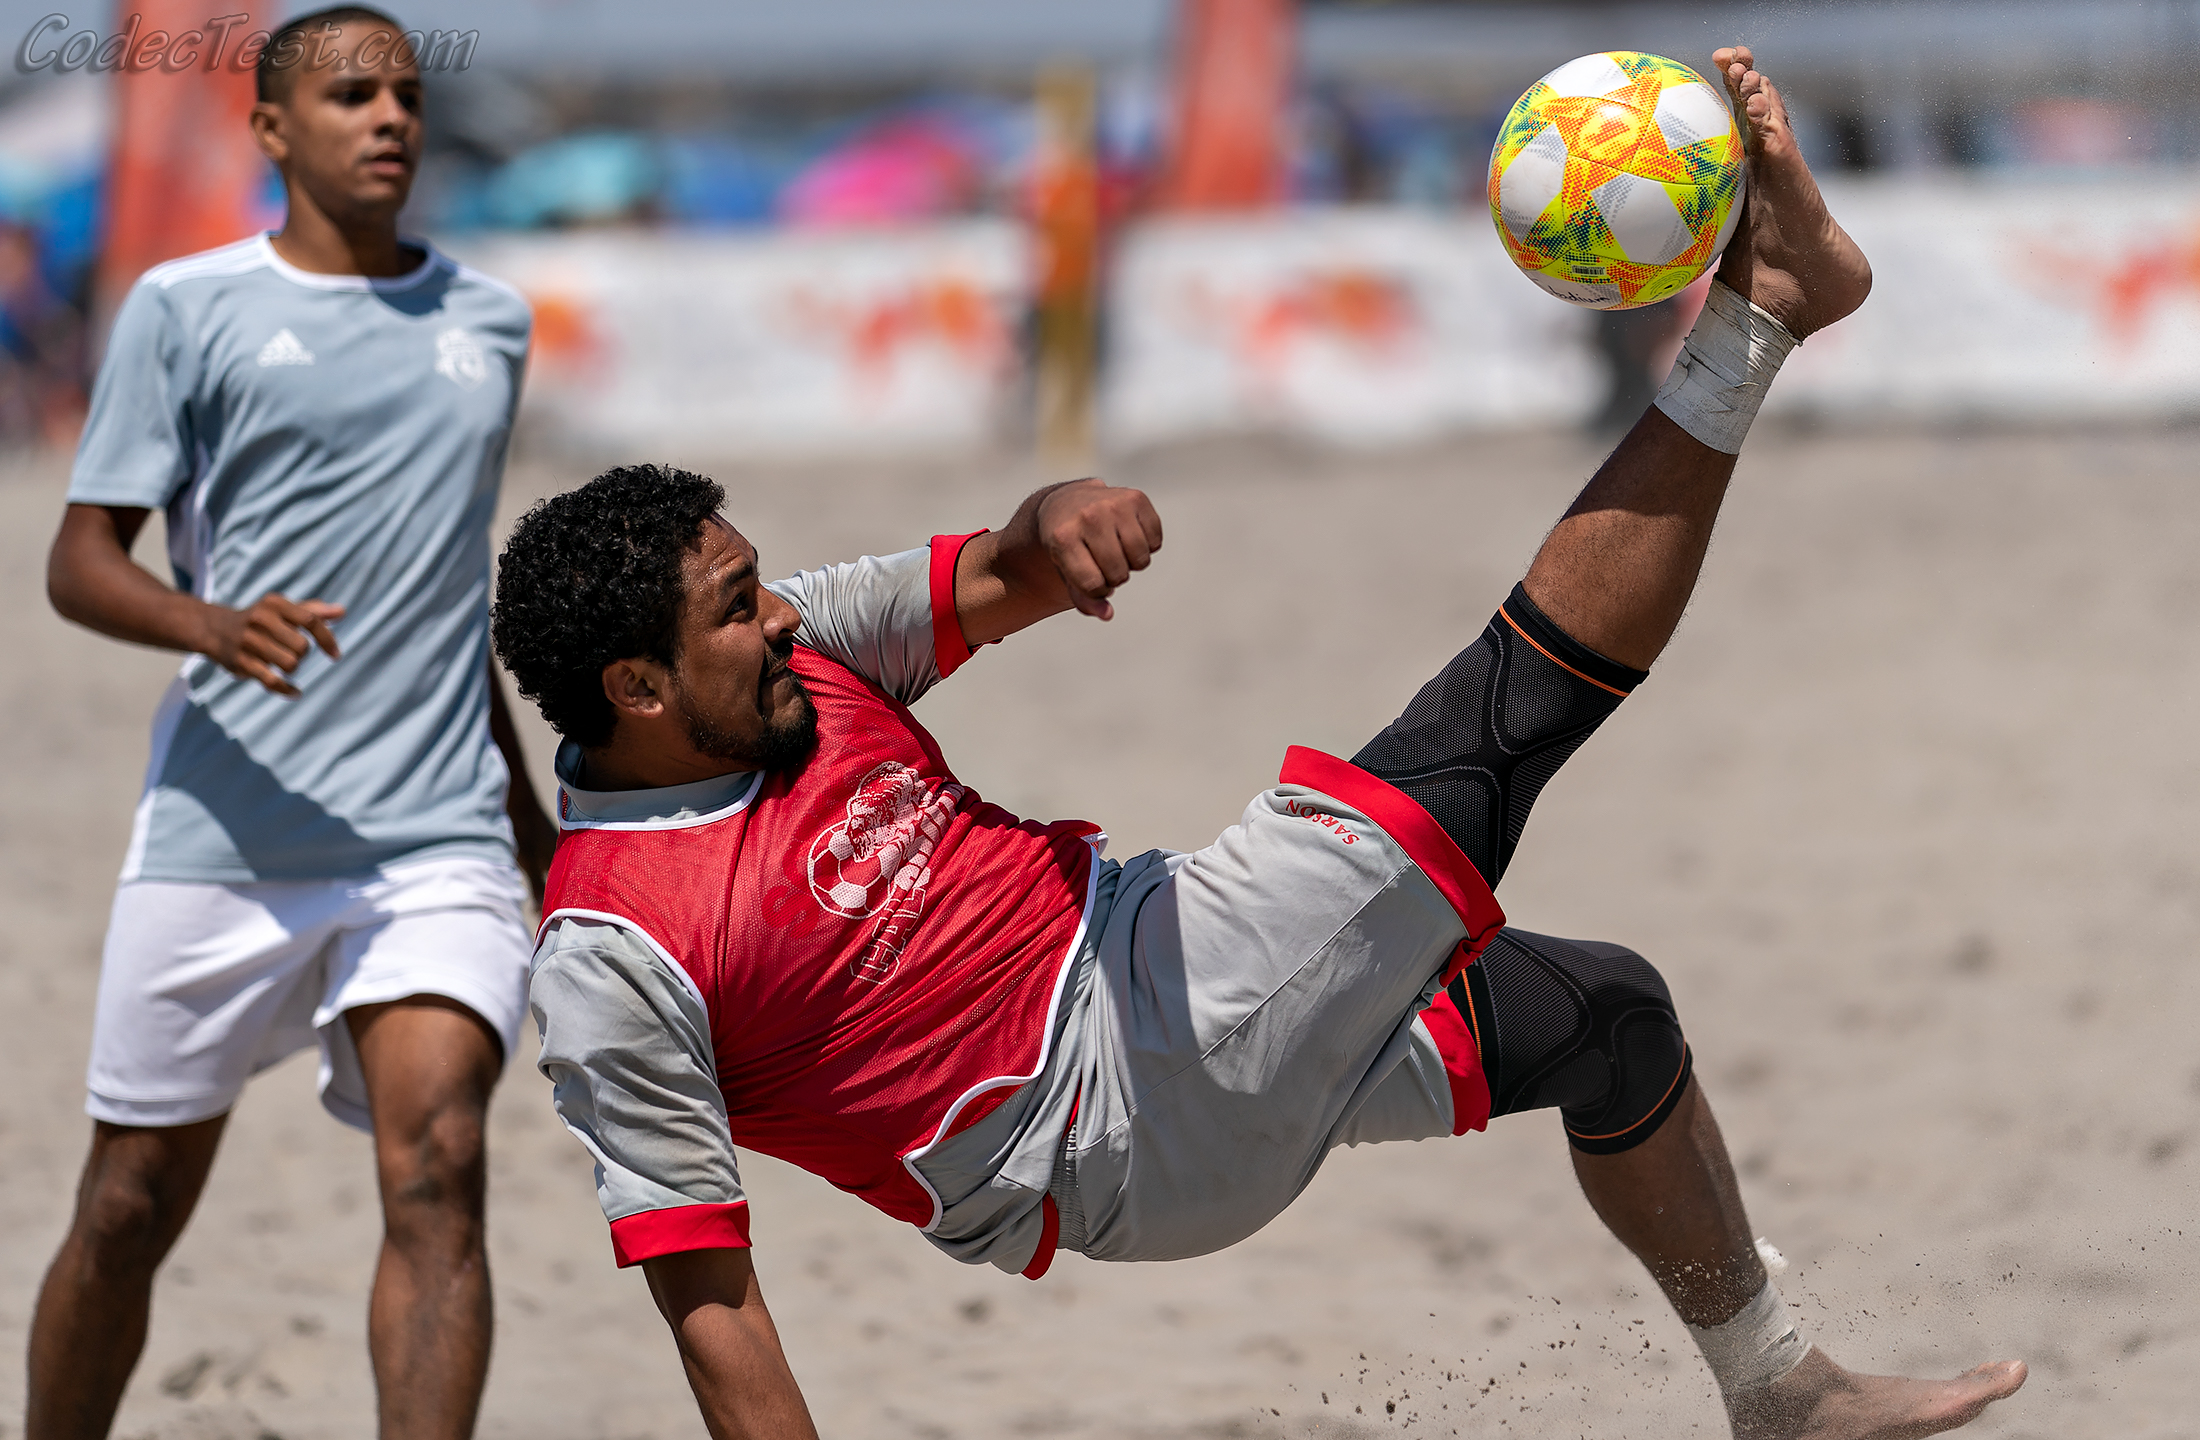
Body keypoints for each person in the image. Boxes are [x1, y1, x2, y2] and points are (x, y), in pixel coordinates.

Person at [495, 49, 2027, 1440]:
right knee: (1489, 736)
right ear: (634, 686)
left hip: (1153, 959)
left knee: (1604, 1021)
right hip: (1111, 1110)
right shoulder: (615, 951)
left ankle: (1782, 1393)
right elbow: (712, 1305)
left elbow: (994, 573)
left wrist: (1061, 524)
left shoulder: (798, 659)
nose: (777, 621)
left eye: (761, 587)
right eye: (734, 609)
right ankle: (1759, 316)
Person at [32, 9, 551, 1440]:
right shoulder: (184, 310)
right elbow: (80, 561)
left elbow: (451, 598)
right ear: (271, 132)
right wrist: (210, 625)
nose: (389, 117)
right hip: (224, 828)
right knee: (129, 1205)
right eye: (348, 94)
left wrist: (532, 835)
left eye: (404, 93)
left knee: (440, 1166)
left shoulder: (487, 323)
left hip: (433, 834)